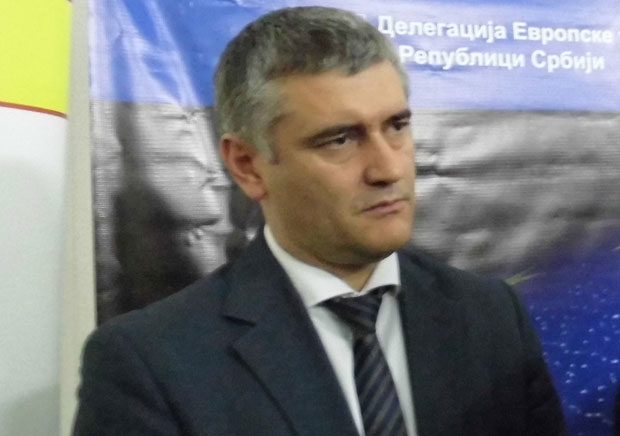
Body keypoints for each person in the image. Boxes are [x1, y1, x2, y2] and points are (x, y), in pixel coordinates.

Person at [73, 6, 565, 436]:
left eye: (396, 126)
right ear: (247, 165)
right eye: (340, 139)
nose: (388, 169)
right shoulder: (151, 363)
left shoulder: (491, 316)